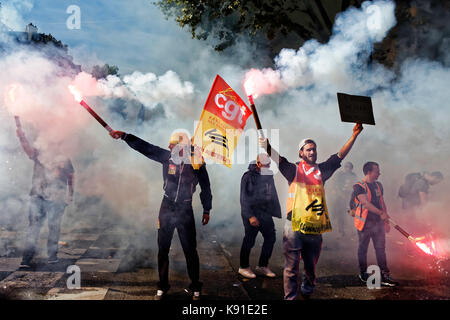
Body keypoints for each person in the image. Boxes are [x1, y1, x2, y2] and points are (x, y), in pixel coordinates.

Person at [260, 123, 363, 299]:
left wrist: (354, 135)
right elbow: (279, 160)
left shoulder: (322, 170)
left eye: (314, 149)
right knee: (291, 268)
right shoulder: (293, 169)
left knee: (311, 267)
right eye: (308, 150)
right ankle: (290, 297)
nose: (312, 152)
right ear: (301, 153)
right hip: (294, 226)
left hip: (315, 227)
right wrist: (268, 147)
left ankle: (307, 292)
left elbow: (339, 156)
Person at [110, 130, 212, 300]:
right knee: (163, 248)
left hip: (185, 209)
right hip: (166, 206)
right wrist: (125, 136)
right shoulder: (167, 157)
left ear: (182, 146)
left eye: (172, 144)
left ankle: (195, 287)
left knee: (190, 250)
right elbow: (146, 148)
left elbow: (206, 187)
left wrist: (207, 209)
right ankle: (162, 286)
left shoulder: (197, 162)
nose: (168, 146)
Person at [15, 117, 74, 267]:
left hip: (57, 198)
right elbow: (27, 148)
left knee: (54, 227)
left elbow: (71, 176)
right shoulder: (38, 153)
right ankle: (26, 259)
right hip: (38, 196)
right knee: (33, 228)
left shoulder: (63, 158)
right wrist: (21, 136)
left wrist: (69, 195)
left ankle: (52, 256)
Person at [352, 161, 398, 287]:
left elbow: (382, 203)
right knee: (363, 249)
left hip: (378, 224)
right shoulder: (359, 186)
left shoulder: (378, 185)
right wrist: (380, 213)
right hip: (364, 224)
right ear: (369, 172)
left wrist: (386, 219)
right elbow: (365, 203)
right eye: (377, 171)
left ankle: (384, 275)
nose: (379, 173)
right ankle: (362, 273)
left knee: (381, 249)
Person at [238, 153, 281, 279]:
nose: (268, 167)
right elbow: (243, 198)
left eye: (269, 164)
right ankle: (243, 267)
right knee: (249, 239)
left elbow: (271, 193)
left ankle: (263, 265)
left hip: (265, 213)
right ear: (258, 164)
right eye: (265, 165)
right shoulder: (248, 177)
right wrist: (250, 216)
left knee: (271, 237)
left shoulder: (268, 175)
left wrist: (273, 210)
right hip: (251, 212)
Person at [329, 161, 358, 237]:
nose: (347, 169)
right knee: (340, 213)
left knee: (351, 212)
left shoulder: (353, 175)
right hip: (339, 196)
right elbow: (335, 185)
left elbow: (355, 185)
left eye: (349, 167)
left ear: (351, 169)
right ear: (344, 167)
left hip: (349, 196)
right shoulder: (339, 175)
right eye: (346, 167)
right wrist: (340, 194)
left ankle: (352, 230)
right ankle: (341, 230)